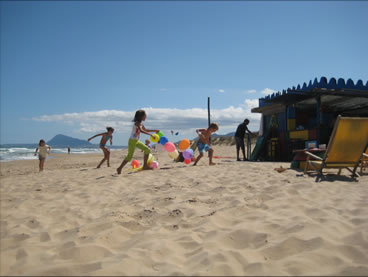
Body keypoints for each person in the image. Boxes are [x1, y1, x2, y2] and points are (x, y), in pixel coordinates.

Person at [117, 110, 159, 174]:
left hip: (136, 141)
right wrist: (151, 135)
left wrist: (154, 130)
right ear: (141, 116)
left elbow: (146, 129)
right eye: (145, 115)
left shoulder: (141, 123)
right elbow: (141, 131)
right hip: (132, 141)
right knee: (129, 156)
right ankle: (119, 168)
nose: (146, 117)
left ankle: (145, 166)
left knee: (147, 149)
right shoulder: (137, 123)